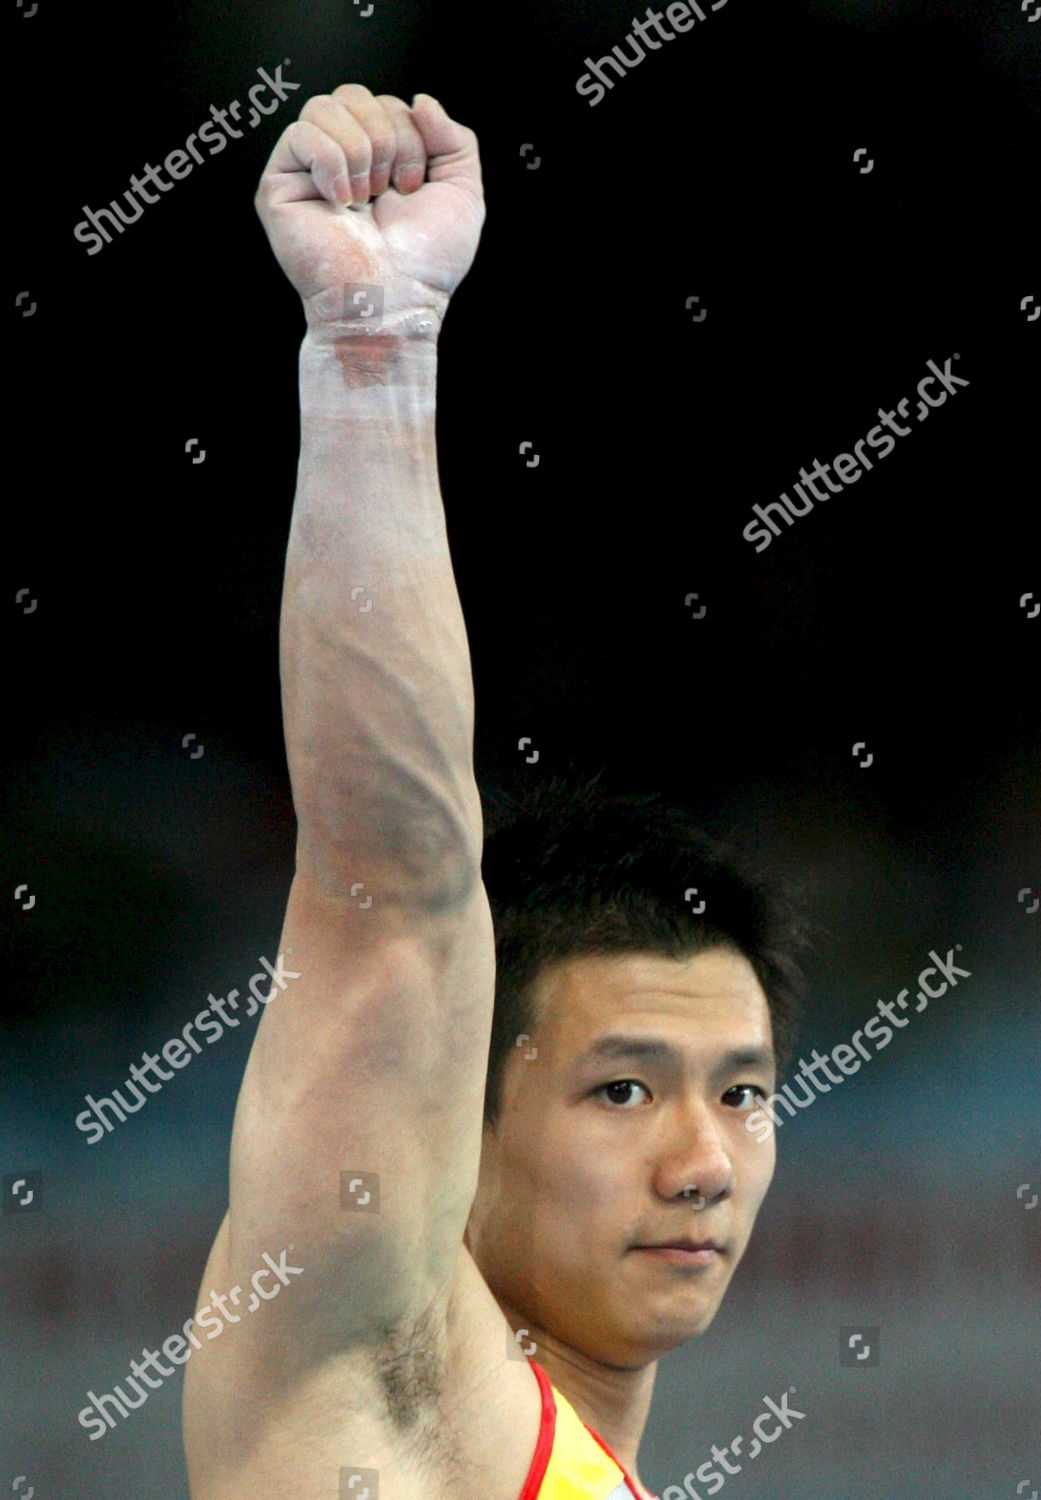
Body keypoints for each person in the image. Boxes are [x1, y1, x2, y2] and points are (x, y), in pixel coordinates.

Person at [182, 83, 808, 1500]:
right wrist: (372, 351)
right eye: (622, 1087)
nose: (703, 1162)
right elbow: (391, 899)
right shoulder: (390, 1389)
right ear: (449, 1117)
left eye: (745, 1093)